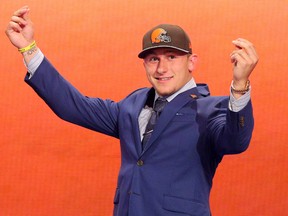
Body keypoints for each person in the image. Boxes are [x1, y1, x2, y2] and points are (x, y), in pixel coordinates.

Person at [6, 6, 258, 216]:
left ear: (192, 62)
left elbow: (235, 141)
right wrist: (29, 49)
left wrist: (239, 86)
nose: (162, 68)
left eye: (172, 57)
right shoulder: (131, 105)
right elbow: (73, 106)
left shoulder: (210, 109)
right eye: (153, 59)